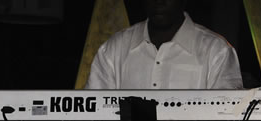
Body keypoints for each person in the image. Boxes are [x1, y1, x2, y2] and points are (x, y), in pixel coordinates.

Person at [85, 0, 243, 90]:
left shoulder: (216, 49)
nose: (159, 2)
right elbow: (93, 116)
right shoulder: (115, 47)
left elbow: (227, 114)